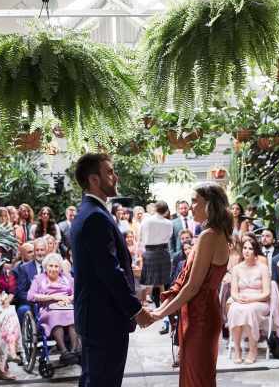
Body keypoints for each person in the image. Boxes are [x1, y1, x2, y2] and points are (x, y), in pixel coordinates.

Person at [70, 153, 151, 387]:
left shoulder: (90, 211)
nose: (115, 177)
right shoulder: (95, 216)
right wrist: (136, 310)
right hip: (103, 319)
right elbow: (110, 272)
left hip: (96, 317)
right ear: (94, 179)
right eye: (110, 172)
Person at [152, 183, 232, 387]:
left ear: (210, 204)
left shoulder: (209, 236)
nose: (191, 205)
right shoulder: (214, 232)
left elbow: (192, 287)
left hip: (201, 317)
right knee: (198, 376)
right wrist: (161, 310)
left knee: (197, 379)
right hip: (201, 313)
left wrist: (159, 314)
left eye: (195, 200)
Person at [28, 253, 80, 362]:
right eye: (50, 266)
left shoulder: (66, 278)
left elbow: (77, 292)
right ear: (46, 267)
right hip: (48, 309)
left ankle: (75, 350)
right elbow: (31, 296)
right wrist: (53, 297)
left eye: (56, 266)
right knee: (55, 316)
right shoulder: (39, 279)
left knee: (73, 316)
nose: (53, 269)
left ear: (60, 268)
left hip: (66, 307)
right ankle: (64, 351)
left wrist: (69, 299)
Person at [227, 237, 271, 364]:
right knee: (234, 309)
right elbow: (234, 292)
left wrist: (251, 299)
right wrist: (238, 298)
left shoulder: (262, 268)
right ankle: (237, 349)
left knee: (249, 310)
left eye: (250, 249)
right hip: (241, 300)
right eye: (245, 248)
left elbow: (267, 294)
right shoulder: (237, 268)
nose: (246, 251)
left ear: (255, 251)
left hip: (259, 301)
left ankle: (253, 350)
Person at [140, 200, 173, 320]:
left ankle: (144, 307)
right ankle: (163, 307)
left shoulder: (146, 220)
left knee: (146, 281)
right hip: (163, 252)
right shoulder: (168, 223)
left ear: (155, 209)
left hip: (149, 251)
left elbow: (141, 236)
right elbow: (169, 236)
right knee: (162, 282)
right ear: (165, 211)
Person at [15, 237, 47, 322]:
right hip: (32, 303)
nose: (39, 253)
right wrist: (36, 300)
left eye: (42, 250)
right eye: (37, 250)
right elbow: (21, 293)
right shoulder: (24, 268)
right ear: (34, 252)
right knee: (23, 309)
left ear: (46, 251)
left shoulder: (52, 266)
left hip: (50, 301)